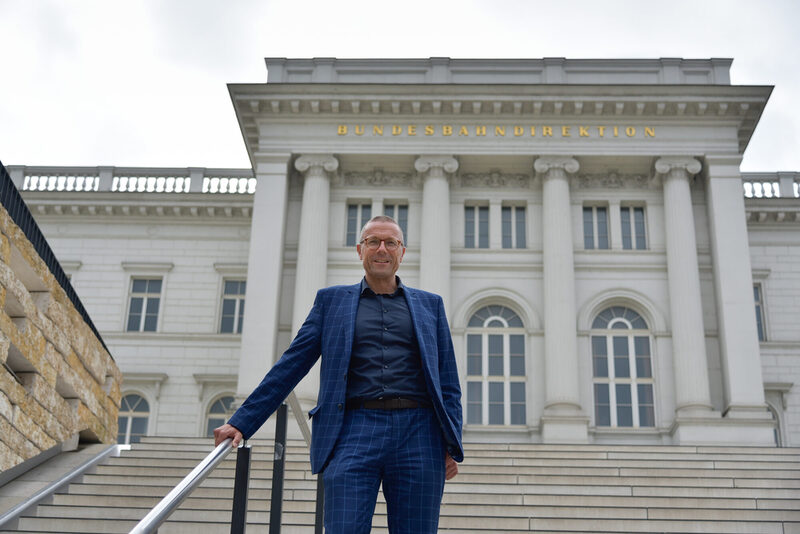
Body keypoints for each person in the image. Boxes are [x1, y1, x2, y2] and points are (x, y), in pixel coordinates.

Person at [214, 215, 463, 534]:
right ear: (360, 250)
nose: (382, 249)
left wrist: (450, 443)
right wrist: (241, 422)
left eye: (391, 243)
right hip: (352, 431)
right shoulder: (331, 302)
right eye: (373, 242)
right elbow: (291, 364)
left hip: (419, 434)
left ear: (403, 252)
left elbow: (448, 384)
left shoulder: (431, 306)